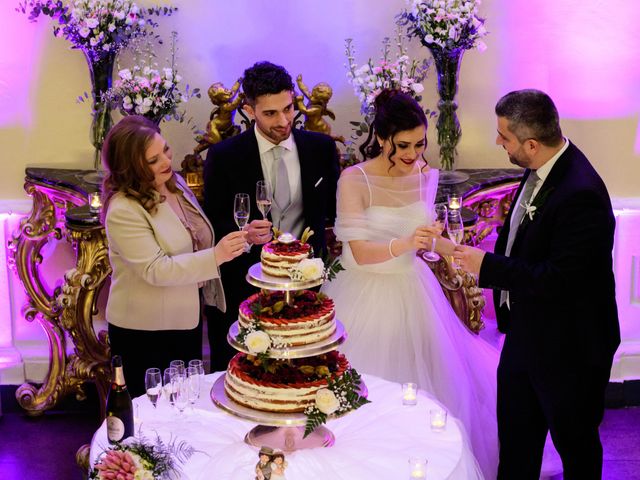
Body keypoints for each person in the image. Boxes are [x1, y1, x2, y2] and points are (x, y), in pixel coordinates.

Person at [321, 89, 498, 479]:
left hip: (414, 291)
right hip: (364, 293)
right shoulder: (354, 179)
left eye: (420, 144)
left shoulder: (425, 175)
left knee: (431, 393)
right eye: (403, 145)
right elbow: (361, 253)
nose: (413, 154)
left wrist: (454, 248)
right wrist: (408, 242)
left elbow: (428, 239)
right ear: (382, 138)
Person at [453, 89, 620, 479]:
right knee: (515, 450)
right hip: (526, 336)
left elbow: (558, 280)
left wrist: (486, 265)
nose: (498, 142)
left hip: (570, 350)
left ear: (530, 143)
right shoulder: (540, 168)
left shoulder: (581, 194)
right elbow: (530, 240)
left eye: (504, 137)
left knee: (576, 449)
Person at [203, 61, 340, 372]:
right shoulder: (223, 157)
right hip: (245, 284)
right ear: (250, 111)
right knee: (246, 376)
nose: (284, 120)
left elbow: (333, 211)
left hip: (306, 285)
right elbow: (212, 223)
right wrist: (244, 233)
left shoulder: (321, 149)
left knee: (303, 372)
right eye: (270, 113)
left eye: (289, 108)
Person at [102, 115, 247, 397]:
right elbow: (157, 270)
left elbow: (194, 237)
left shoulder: (174, 184)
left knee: (182, 407)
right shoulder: (123, 209)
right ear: (131, 167)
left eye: (165, 150)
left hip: (185, 320)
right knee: (151, 418)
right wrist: (216, 256)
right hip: (145, 331)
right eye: (153, 160)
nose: (166, 162)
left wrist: (244, 235)